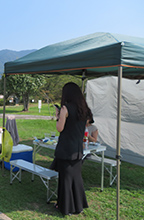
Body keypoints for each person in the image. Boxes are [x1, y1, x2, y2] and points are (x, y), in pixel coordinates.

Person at [54, 82, 91, 215]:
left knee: (65, 179)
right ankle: (79, 206)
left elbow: (60, 128)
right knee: (76, 178)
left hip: (66, 148)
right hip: (78, 148)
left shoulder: (65, 108)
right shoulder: (84, 109)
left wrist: (59, 116)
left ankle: (66, 207)